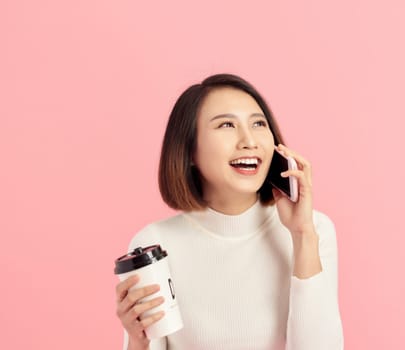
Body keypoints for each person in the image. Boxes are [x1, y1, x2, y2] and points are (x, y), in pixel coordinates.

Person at [115, 73, 344, 350]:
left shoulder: (315, 230)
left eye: (259, 123)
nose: (249, 141)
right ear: (189, 151)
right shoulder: (154, 245)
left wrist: (302, 235)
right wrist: (137, 342)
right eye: (226, 125)